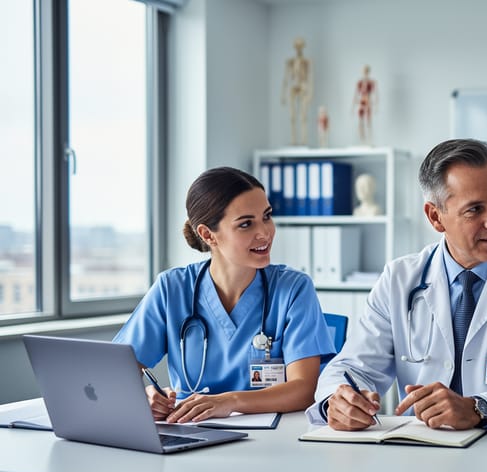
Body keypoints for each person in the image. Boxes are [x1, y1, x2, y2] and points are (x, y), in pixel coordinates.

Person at [307, 138, 487, 434]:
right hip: (422, 456)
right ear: (435, 217)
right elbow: (351, 368)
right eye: (474, 210)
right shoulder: (400, 279)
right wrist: (336, 403)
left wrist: (480, 408)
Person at [114, 166, 334, 424]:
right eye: (245, 224)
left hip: (273, 440)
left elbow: (304, 389)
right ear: (208, 235)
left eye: (267, 216)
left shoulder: (293, 288)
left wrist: (228, 402)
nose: (264, 232)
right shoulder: (171, 289)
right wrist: (146, 396)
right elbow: (115, 372)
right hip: (190, 431)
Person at [281, 37, 313, 146]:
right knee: (292, 116)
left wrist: (310, 93)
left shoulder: (306, 62)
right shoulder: (290, 62)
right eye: (297, 46)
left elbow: (309, 77)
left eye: (300, 46)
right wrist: (283, 94)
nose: (298, 48)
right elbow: (286, 78)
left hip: (303, 87)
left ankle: (304, 140)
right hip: (293, 86)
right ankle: (294, 140)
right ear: (295, 47)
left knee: (303, 115)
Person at [352, 64, 377, 145]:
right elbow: (356, 95)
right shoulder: (359, 83)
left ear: (368, 72)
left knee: (368, 122)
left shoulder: (371, 82)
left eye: (366, 71)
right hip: (361, 103)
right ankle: (362, 140)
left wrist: (375, 105)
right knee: (361, 122)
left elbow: (375, 94)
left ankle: (369, 140)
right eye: (364, 71)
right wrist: (353, 107)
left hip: (368, 103)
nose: (365, 73)